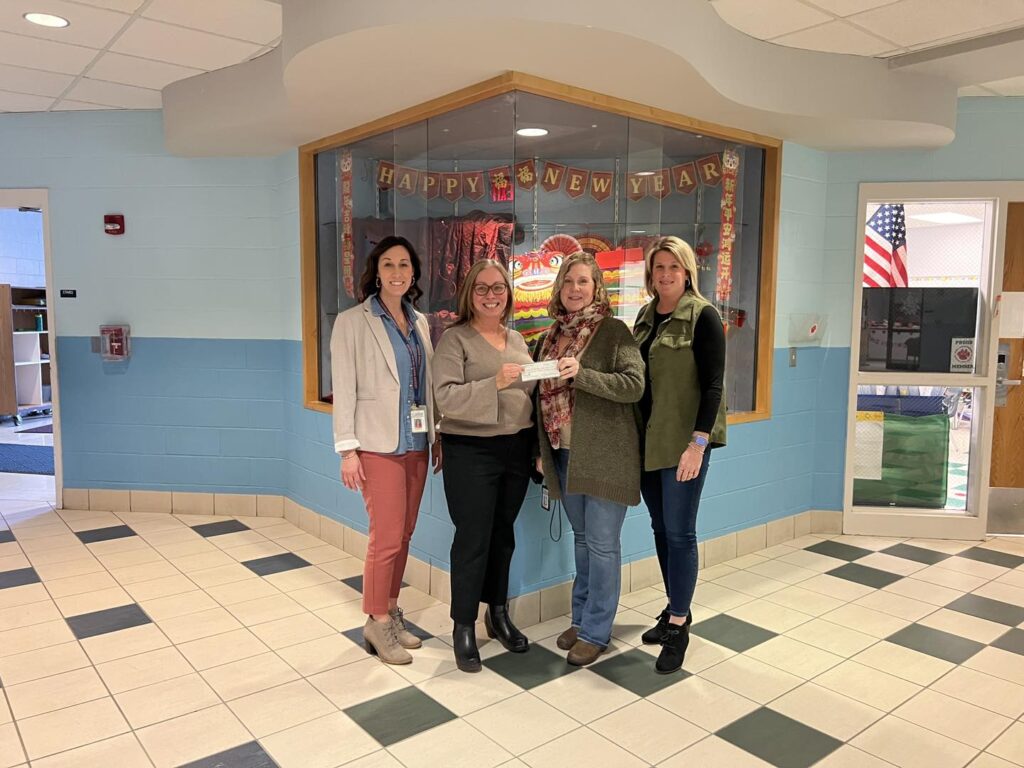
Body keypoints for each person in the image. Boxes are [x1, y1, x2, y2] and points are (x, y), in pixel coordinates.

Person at [331, 235, 442, 666]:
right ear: (376, 272)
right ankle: (376, 621)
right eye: (389, 265)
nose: (397, 272)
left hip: (414, 442)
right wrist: (347, 450)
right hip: (376, 446)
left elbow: (426, 386)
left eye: (404, 265)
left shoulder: (419, 322)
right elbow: (345, 387)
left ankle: (391, 610)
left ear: (414, 273)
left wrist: (436, 435)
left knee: (405, 533)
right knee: (386, 537)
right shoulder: (353, 322)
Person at [534, 252, 644, 666]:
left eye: (584, 281)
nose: (575, 289)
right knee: (582, 543)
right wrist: (541, 454)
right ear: (559, 289)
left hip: (605, 457)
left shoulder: (614, 332)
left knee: (601, 546)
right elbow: (539, 401)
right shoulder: (549, 337)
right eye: (568, 282)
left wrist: (581, 374)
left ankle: (597, 630)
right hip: (564, 455)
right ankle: (581, 619)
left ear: (597, 287)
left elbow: (634, 385)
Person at [432, 259, 537, 672]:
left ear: (509, 295)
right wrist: (493, 383)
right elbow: (445, 397)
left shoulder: (517, 339)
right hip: (470, 452)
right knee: (473, 539)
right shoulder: (454, 341)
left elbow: (529, 392)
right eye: (482, 288)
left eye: (498, 288)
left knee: (503, 536)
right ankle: (463, 625)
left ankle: (498, 613)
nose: (491, 295)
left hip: (515, 448)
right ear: (469, 295)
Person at [634, 235, 726, 674]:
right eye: (659, 268)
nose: (666, 275)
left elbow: (713, 386)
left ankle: (678, 625)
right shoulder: (645, 316)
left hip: (683, 444)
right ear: (651, 275)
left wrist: (698, 444)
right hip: (649, 443)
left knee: (680, 532)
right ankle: (676, 607)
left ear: (688, 271)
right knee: (659, 526)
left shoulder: (703, 316)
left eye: (674, 267)